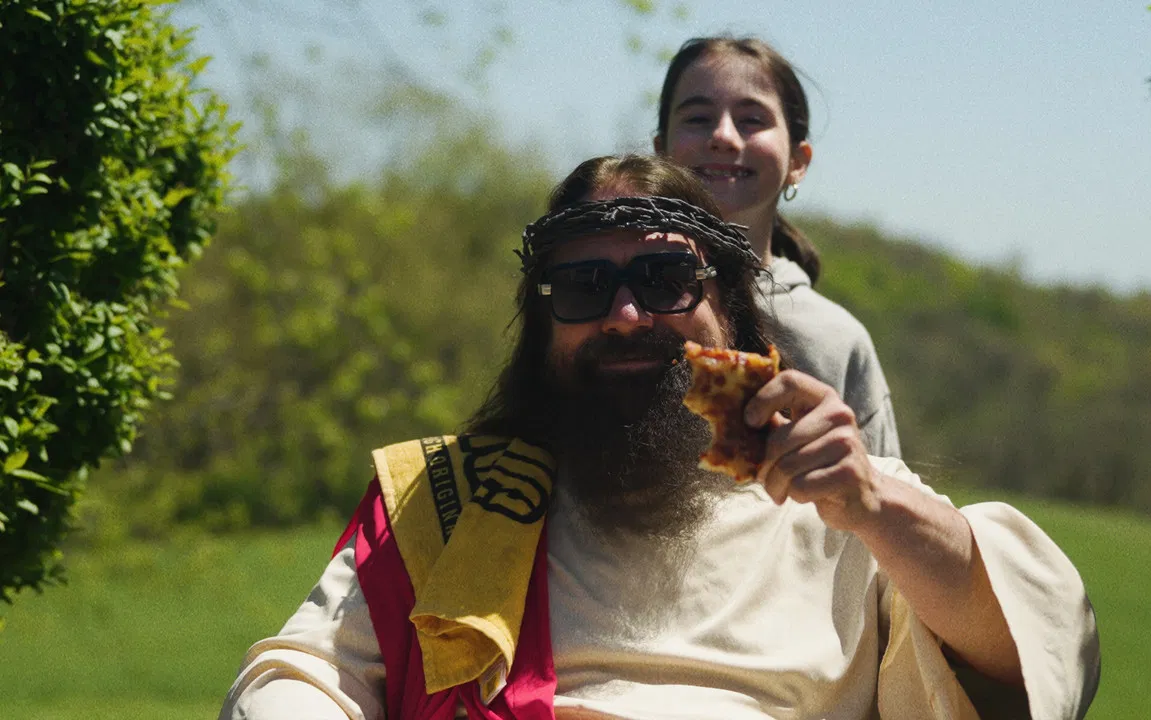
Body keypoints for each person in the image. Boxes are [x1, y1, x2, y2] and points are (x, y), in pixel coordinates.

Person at [219, 155, 1100, 720]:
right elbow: (303, 674)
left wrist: (874, 507)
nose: (626, 315)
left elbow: (1037, 655)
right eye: (583, 288)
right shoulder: (452, 500)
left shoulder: (850, 499)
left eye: (666, 277)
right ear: (542, 325)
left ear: (731, 306)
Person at [654, 36, 902, 458]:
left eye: (752, 120)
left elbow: (879, 490)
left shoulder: (836, 341)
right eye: (697, 118)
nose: (723, 136)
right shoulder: (612, 304)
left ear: (797, 162)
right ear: (660, 151)